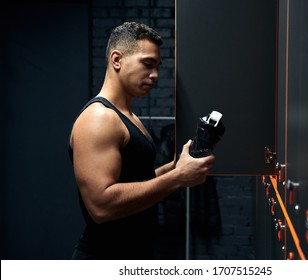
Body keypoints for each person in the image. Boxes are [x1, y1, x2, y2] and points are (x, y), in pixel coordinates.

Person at [68, 22, 215, 260]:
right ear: (117, 60)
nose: (155, 75)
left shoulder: (128, 117)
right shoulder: (99, 118)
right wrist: (177, 179)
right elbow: (101, 206)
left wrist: (176, 167)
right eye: (147, 64)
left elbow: (135, 181)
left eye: (157, 66)